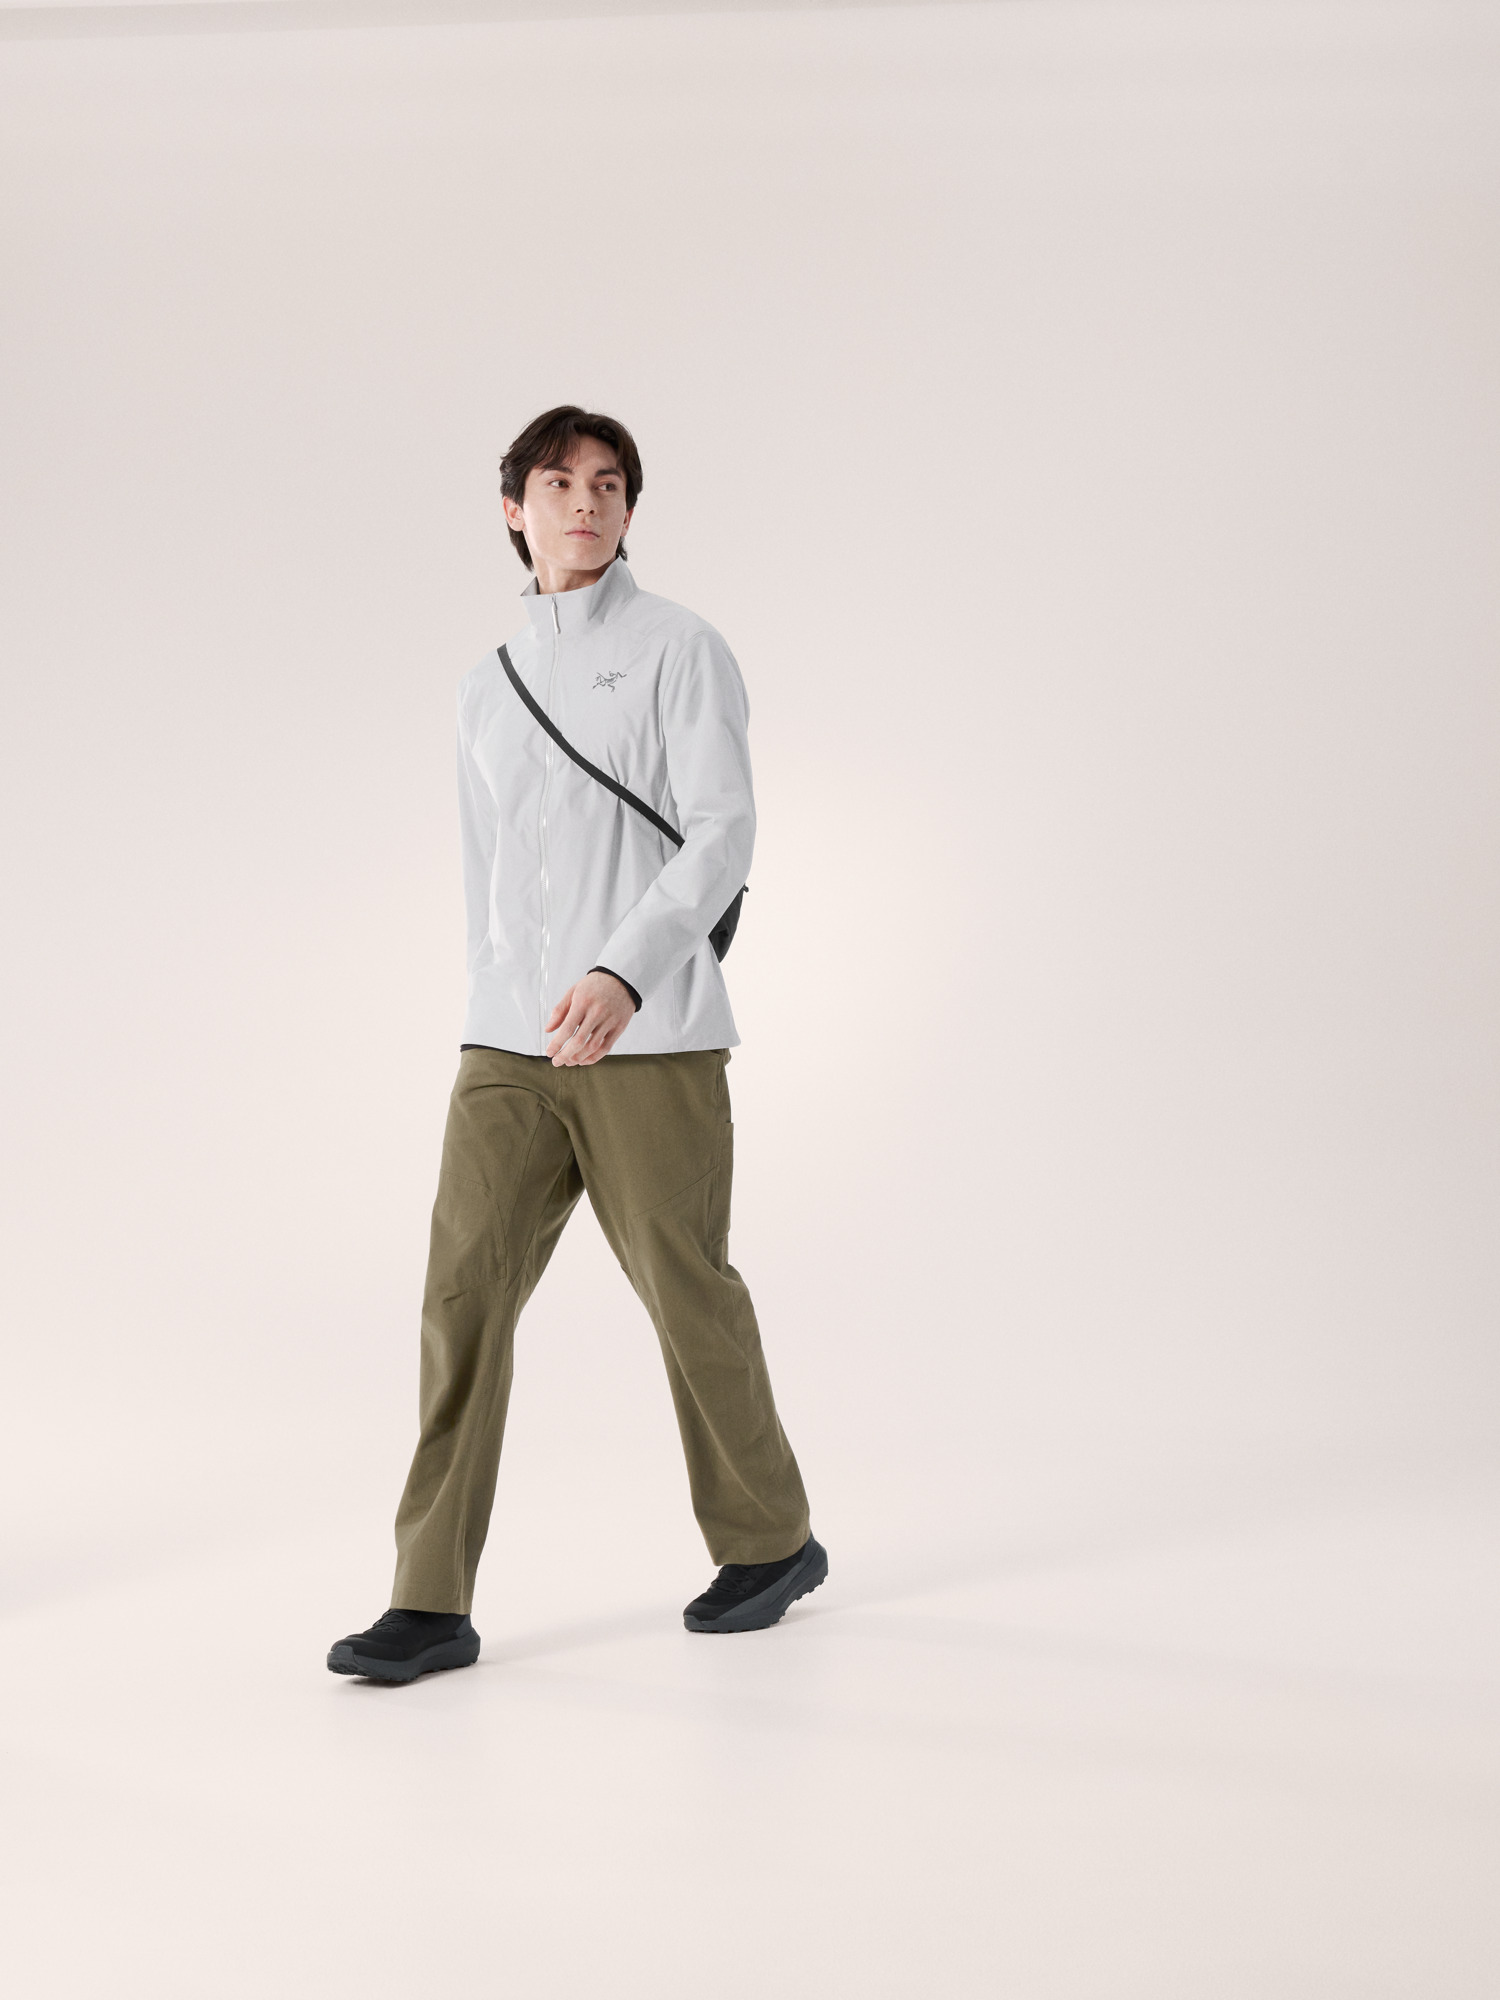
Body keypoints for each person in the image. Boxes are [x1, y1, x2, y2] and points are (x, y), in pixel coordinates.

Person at [328, 405, 824, 1683]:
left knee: (684, 1286)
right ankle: (429, 1599)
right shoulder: (483, 682)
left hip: (650, 1035)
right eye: (559, 483)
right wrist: (495, 999)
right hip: (508, 1043)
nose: (587, 502)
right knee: (461, 1298)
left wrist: (623, 970)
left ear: (629, 509)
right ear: (515, 510)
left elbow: (723, 830)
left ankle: (770, 1539)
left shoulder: (680, 647)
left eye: (609, 484)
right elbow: (485, 868)